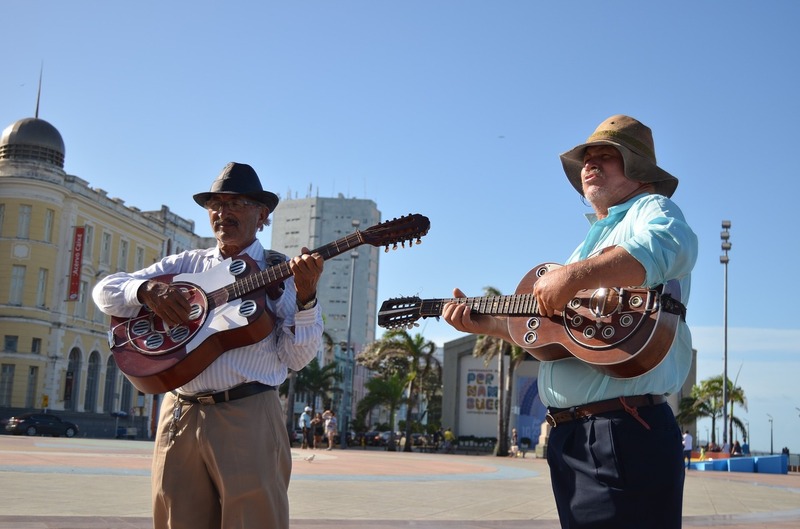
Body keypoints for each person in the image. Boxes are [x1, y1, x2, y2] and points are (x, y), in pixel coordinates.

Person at [442, 115, 697, 529]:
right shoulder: (586, 245)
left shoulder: (653, 209)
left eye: (606, 156)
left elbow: (668, 246)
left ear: (639, 170)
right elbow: (553, 331)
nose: (590, 164)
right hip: (576, 436)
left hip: (621, 429)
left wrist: (573, 276)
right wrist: (484, 324)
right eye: (586, 159)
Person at [93, 162, 324, 529]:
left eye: (236, 203)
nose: (223, 212)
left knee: (254, 518)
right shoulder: (187, 264)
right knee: (174, 516)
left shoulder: (283, 273)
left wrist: (307, 298)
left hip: (247, 410)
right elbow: (104, 292)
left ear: (262, 215)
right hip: (179, 410)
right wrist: (146, 290)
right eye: (216, 204)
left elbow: (296, 357)